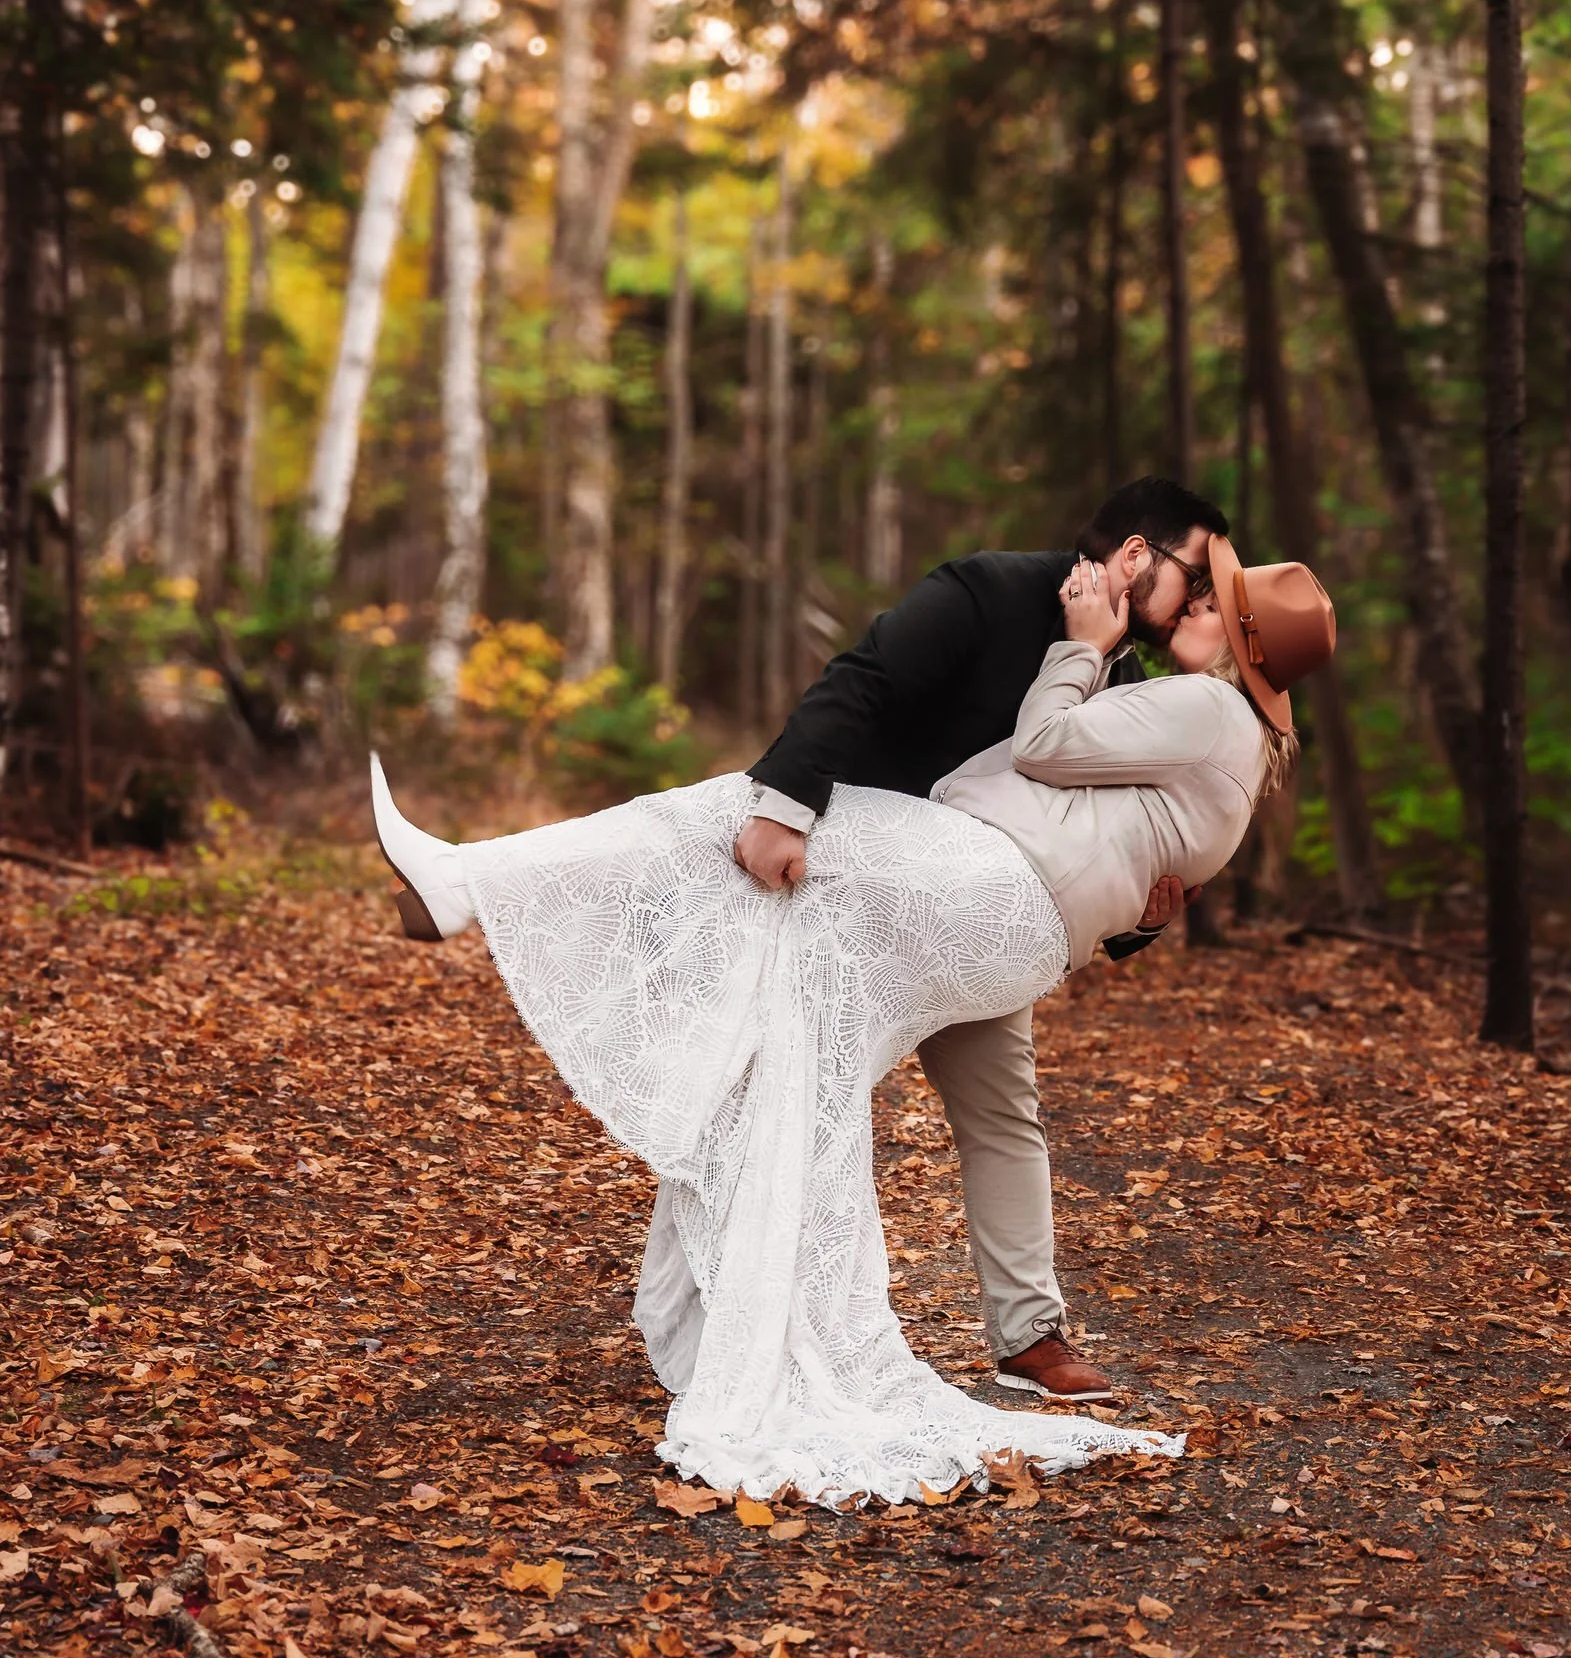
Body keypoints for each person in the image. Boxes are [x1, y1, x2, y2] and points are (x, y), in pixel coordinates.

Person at [371, 537, 1335, 1509]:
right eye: (1201, 593)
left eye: (1216, 607)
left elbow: (1045, 746)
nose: (1194, 614)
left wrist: (1082, 644)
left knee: (735, 814)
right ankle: (734, 1318)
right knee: (794, 1057)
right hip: (1014, 917)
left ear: (1240, 643)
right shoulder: (1242, 756)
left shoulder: (1209, 706)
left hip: (991, 881)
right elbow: (1136, 866)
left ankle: (466, 883)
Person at [736, 476, 1229, 1405]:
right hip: (847, 892)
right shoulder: (992, 589)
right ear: (1135, 556)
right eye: (1193, 575)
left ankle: (1029, 1336)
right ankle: (760, 1318)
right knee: (792, 1094)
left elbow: (1100, 848)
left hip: (973, 927)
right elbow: (862, 678)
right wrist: (787, 809)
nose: (1198, 602)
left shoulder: (1125, 682)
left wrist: (1147, 918)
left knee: (1006, 1116)